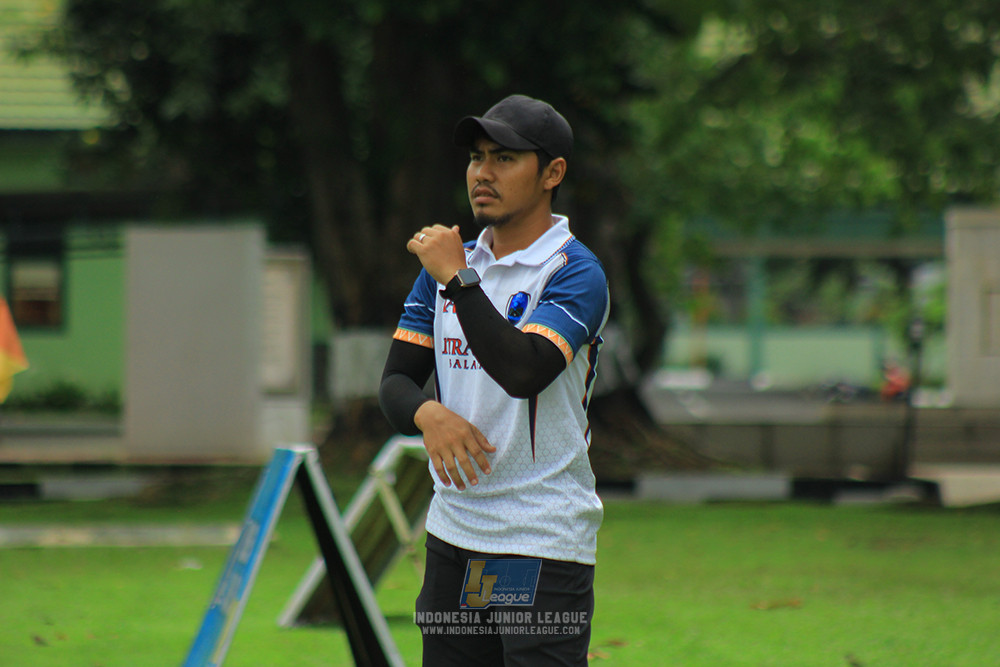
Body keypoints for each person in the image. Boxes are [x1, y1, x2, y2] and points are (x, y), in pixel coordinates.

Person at [379, 94, 609, 666]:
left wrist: (459, 279)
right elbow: (395, 383)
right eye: (476, 157)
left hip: (538, 540)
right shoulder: (446, 268)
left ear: (552, 173)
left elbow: (523, 371)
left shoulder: (574, 271)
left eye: (504, 158)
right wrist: (428, 414)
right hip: (454, 535)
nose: (483, 172)